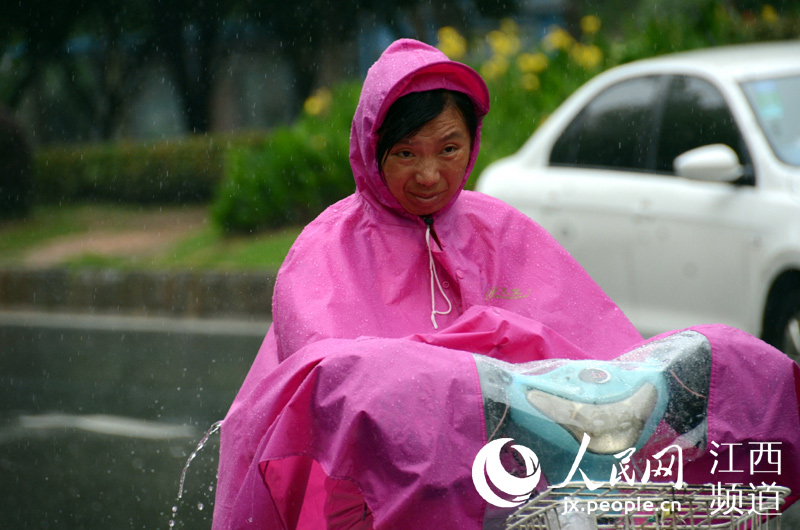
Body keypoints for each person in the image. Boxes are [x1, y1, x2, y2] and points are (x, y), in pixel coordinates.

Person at [211, 39, 800, 530]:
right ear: (371, 150)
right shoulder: (325, 249)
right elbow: (334, 390)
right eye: (405, 153)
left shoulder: (504, 230)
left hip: (516, 476)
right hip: (370, 494)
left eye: (449, 149)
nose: (429, 173)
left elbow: (598, 356)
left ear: (473, 145)